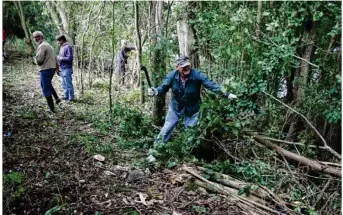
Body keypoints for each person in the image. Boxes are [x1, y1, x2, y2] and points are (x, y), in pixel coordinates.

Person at [147, 56, 238, 144]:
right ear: (177, 67)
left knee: (190, 133)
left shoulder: (197, 75)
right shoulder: (172, 76)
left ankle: (187, 153)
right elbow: (163, 88)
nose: (187, 68)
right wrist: (155, 91)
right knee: (166, 128)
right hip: (176, 107)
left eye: (188, 66)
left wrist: (227, 94)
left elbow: (211, 85)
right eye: (183, 67)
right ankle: (156, 151)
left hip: (193, 108)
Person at [32, 31, 61, 113]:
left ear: (40, 37)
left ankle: (52, 109)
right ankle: (56, 98)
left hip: (45, 69)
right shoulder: (48, 45)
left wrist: (35, 59)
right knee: (48, 84)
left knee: (45, 87)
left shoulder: (42, 46)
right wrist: (57, 67)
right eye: (34, 37)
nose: (35, 39)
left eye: (36, 37)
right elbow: (55, 57)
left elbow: (39, 60)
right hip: (52, 68)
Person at [56, 34, 74, 102]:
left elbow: (70, 58)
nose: (57, 43)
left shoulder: (68, 47)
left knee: (68, 83)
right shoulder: (62, 47)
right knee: (63, 83)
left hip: (67, 68)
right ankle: (66, 96)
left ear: (61, 40)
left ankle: (71, 97)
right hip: (62, 68)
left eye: (58, 41)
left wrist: (60, 58)